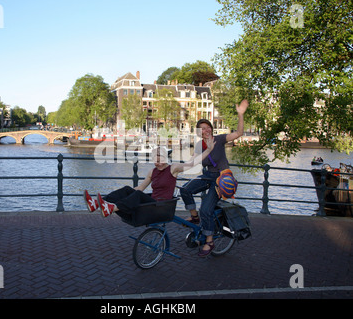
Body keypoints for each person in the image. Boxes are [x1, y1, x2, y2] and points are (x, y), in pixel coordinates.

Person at [180, 99, 249, 257]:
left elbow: (238, 133)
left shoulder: (220, 139)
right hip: (207, 175)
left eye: (207, 127)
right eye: (201, 129)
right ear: (199, 132)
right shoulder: (199, 146)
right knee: (185, 190)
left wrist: (240, 115)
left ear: (211, 129)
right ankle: (195, 217)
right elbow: (193, 162)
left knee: (206, 208)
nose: (205, 130)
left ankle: (210, 241)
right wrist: (177, 168)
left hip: (221, 178)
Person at [84, 138, 216, 218]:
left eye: (160, 160)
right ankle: (96, 204)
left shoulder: (173, 168)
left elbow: (191, 163)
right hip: (152, 202)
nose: (157, 163)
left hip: (163, 205)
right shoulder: (152, 172)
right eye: (155, 160)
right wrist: (128, 193)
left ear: (165, 159)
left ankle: (112, 208)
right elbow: (141, 187)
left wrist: (208, 150)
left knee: (137, 195)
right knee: (128, 189)